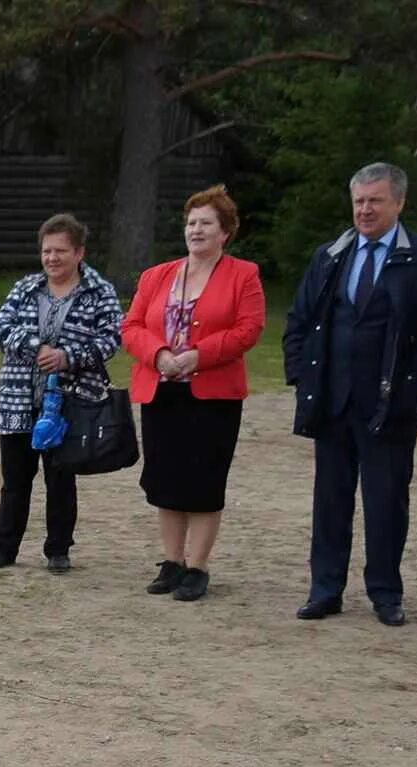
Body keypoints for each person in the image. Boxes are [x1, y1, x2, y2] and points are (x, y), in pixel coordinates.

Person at [281, 162, 417, 626]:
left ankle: (385, 593)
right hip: (332, 399)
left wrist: (413, 382)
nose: (364, 209)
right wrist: (304, 377)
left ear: (398, 203)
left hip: (389, 403)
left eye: (375, 201)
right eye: (359, 200)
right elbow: (299, 321)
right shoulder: (331, 255)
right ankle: (325, 589)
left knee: (385, 501)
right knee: (330, 501)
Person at [118, 185, 265, 601]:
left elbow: (248, 329)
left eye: (206, 223)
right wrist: (159, 353)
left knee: (203, 479)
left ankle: (197, 566)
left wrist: (198, 356)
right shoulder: (156, 276)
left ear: (225, 232)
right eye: (191, 223)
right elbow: (131, 328)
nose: (196, 230)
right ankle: (171, 561)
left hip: (213, 396)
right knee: (165, 478)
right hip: (162, 391)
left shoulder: (244, 275)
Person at [0, 214, 124, 571]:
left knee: (61, 479)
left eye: (60, 251)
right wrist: (35, 348)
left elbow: (112, 338)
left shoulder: (100, 292)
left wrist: (68, 357)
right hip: (18, 400)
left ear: (79, 252)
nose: (51, 258)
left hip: (70, 401)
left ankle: (58, 549)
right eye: (46, 250)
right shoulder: (25, 288)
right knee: (15, 479)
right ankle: (4, 547)